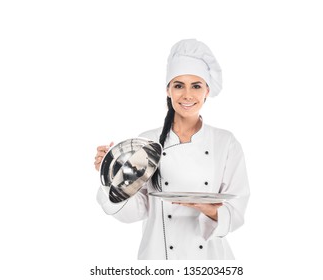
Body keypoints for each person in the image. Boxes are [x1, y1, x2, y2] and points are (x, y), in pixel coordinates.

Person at [94, 39, 250, 260]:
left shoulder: (225, 142)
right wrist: (111, 177)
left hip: (211, 262)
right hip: (160, 260)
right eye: (178, 85)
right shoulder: (148, 142)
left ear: (207, 90)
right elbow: (135, 212)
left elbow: (236, 211)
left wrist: (207, 209)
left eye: (196, 85)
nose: (187, 95)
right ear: (168, 90)